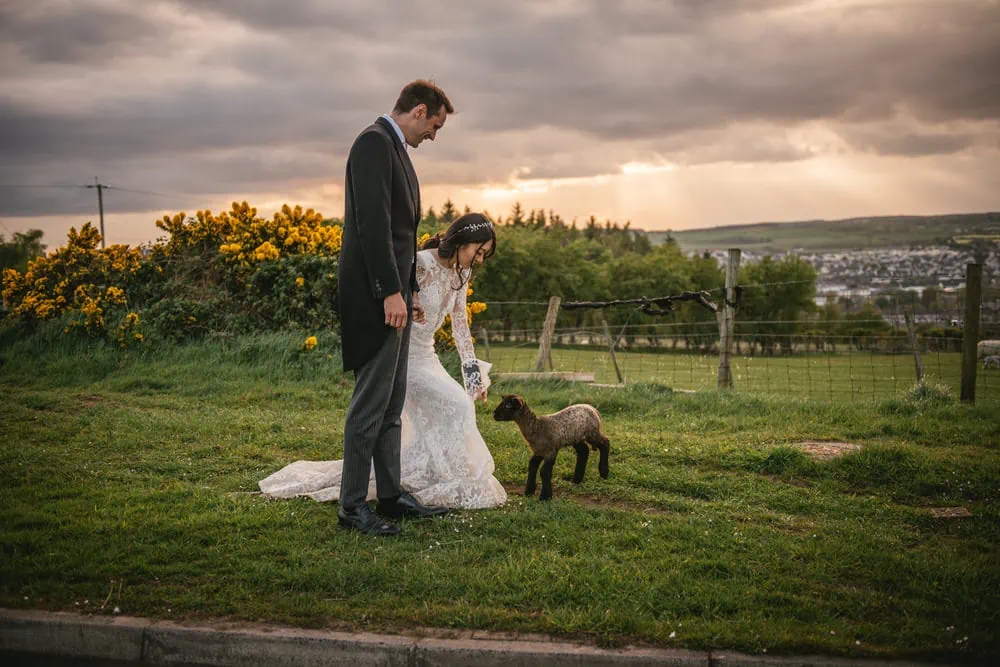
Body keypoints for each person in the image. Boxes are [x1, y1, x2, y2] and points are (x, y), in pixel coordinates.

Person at [259, 214, 507, 518]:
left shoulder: (461, 274)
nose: (479, 260)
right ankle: (439, 474)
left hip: (428, 357)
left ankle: (438, 470)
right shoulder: (420, 264)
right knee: (457, 404)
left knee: (458, 405)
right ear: (460, 241)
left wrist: (472, 375)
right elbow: (389, 304)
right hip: (403, 357)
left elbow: (460, 326)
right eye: (478, 251)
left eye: (484, 255)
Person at [326, 79, 454, 536]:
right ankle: (351, 506)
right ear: (419, 111)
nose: (433, 136)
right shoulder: (373, 144)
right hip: (374, 298)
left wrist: (411, 288)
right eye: (435, 125)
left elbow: (402, 237)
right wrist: (388, 292)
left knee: (392, 404)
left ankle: (391, 496)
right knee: (370, 403)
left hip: (396, 295)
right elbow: (373, 226)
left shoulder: (395, 149)